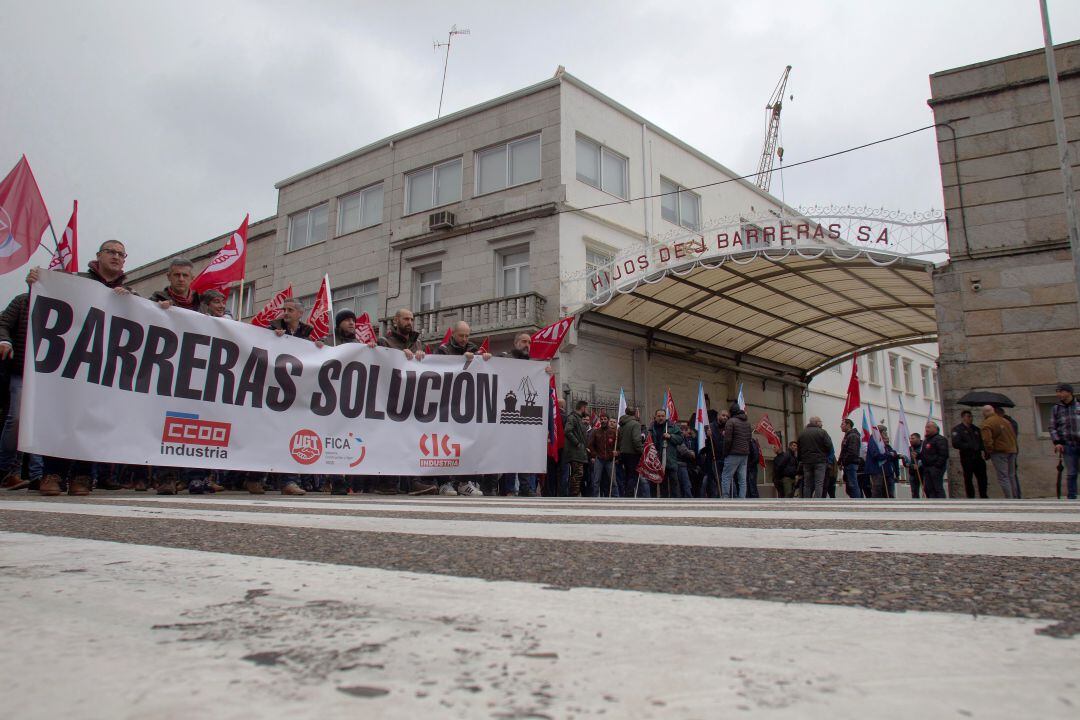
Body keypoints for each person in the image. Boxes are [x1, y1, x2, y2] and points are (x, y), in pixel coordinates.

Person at [26, 241, 136, 496]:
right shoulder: (75, 281)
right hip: (73, 361)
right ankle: (53, 473)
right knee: (65, 416)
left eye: (121, 254)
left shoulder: (129, 292)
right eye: (111, 252)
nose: (116, 257)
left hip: (105, 368)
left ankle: (84, 476)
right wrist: (36, 281)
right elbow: (47, 298)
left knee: (93, 420)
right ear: (98, 255)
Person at [435, 321, 491, 497]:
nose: (464, 339)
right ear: (453, 335)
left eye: (467, 335)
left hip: (466, 406)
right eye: (461, 335)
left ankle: (464, 482)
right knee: (444, 444)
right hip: (446, 404)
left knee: (466, 443)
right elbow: (437, 367)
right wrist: (460, 359)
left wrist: (485, 358)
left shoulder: (475, 350)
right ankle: (444, 483)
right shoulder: (443, 350)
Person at [0, 291, 43, 492]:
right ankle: (7, 469)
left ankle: (37, 474)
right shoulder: (22, 301)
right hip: (22, 369)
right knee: (16, 418)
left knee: (40, 423)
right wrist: (5, 341)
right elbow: (4, 323)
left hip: (47, 374)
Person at [980, 404, 1018, 498]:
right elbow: (1013, 435)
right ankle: (1015, 497)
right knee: (1011, 476)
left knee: (1003, 476)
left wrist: (989, 450)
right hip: (1012, 450)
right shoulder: (1005, 420)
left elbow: (987, 440)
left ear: (985, 413)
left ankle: (1009, 498)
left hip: (999, 451)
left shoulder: (987, 423)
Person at [1050, 383, 1079, 500]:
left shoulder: (1078, 405)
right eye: (1057, 391)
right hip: (1067, 445)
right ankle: (1072, 496)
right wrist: (1057, 442)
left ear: (1069, 392)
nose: (1058, 394)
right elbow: (1052, 427)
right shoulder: (1056, 408)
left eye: (1061, 391)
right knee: (1071, 472)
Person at [951, 409, 988, 499]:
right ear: (963, 418)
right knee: (968, 478)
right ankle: (971, 496)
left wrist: (984, 450)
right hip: (967, 457)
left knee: (982, 477)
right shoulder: (958, 429)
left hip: (978, 457)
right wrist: (969, 445)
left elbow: (981, 442)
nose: (971, 419)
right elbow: (956, 443)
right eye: (968, 416)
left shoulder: (976, 429)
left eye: (971, 417)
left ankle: (983, 495)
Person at [649, 408, 684, 498]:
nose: (661, 418)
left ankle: (675, 505)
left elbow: (681, 439)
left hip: (670, 461)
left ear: (665, 417)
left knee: (674, 484)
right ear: (655, 417)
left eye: (663, 416)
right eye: (659, 416)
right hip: (656, 462)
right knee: (662, 485)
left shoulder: (672, 426)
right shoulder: (651, 428)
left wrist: (670, 436)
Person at [796, 417, 833, 499]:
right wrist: (824, 454)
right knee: (819, 482)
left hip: (806, 461)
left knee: (807, 483)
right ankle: (817, 500)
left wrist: (800, 460)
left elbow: (799, 448)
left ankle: (807, 500)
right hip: (820, 461)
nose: (822, 424)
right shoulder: (822, 432)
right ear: (816, 422)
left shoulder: (802, 433)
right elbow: (829, 446)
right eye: (820, 422)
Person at [721, 403, 751, 498]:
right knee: (742, 479)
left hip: (733, 453)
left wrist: (725, 452)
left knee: (726, 476)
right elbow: (749, 438)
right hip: (745, 454)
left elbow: (728, 440)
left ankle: (725, 497)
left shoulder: (731, 422)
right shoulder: (747, 423)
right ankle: (742, 498)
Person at [617, 405, 646, 498]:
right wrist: (642, 451)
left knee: (627, 475)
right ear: (635, 413)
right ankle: (629, 495)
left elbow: (620, 439)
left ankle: (627, 494)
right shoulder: (635, 424)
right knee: (633, 476)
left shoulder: (621, 424)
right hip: (633, 453)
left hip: (623, 453)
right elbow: (636, 440)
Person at [564, 400, 590, 497]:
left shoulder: (578, 418)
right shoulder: (573, 418)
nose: (587, 410)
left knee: (578, 475)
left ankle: (574, 494)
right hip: (575, 452)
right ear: (582, 408)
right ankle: (573, 495)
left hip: (579, 452)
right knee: (577, 474)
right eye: (586, 408)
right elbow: (567, 431)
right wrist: (577, 443)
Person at [588, 417, 619, 497]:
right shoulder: (596, 432)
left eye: (605, 419)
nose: (603, 421)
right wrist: (594, 455)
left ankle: (616, 497)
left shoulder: (613, 432)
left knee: (613, 481)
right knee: (596, 480)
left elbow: (619, 445)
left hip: (610, 459)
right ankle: (595, 498)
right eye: (601, 419)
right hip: (599, 459)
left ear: (607, 420)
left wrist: (617, 452)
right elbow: (590, 445)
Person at [996, 406, 1022, 498]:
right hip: (1012, 450)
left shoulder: (1008, 423)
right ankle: (1015, 495)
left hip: (1008, 451)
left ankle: (1015, 496)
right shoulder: (1010, 422)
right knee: (1011, 475)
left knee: (1009, 475)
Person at [918, 422, 949, 499]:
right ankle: (933, 504)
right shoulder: (926, 441)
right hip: (927, 468)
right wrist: (917, 455)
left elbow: (943, 454)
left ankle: (942, 505)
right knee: (929, 489)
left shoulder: (940, 439)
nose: (926, 429)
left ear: (935, 428)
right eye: (926, 427)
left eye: (928, 427)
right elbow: (923, 454)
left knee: (937, 488)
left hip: (936, 468)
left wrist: (937, 466)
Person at [838, 418, 863, 498]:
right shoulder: (848, 436)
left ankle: (857, 501)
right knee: (849, 485)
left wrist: (844, 461)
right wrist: (840, 462)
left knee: (853, 484)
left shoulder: (853, 436)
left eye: (842, 424)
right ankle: (854, 499)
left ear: (848, 425)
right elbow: (844, 451)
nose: (840, 426)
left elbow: (852, 452)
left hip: (851, 463)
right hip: (848, 463)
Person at [905, 432, 924, 498]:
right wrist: (911, 465)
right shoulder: (910, 449)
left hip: (923, 473)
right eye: (910, 438)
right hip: (913, 473)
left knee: (927, 491)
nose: (911, 440)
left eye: (913, 438)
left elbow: (927, 458)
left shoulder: (923, 447)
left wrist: (920, 465)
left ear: (918, 438)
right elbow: (906, 461)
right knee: (914, 492)